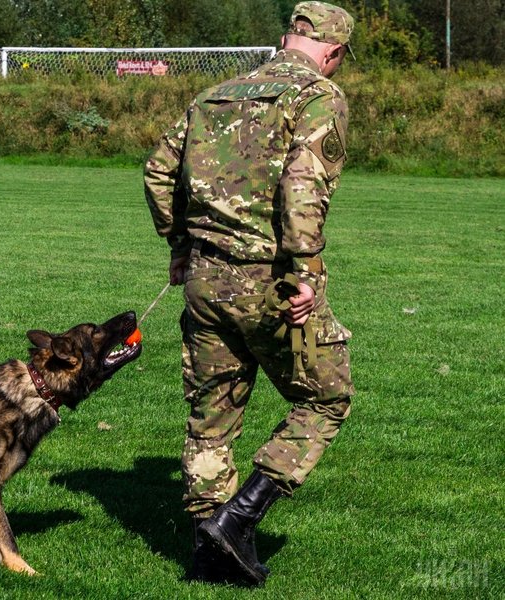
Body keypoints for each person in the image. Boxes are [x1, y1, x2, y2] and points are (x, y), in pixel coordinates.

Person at [143, 2, 357, 587]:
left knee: (211, 417)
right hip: (274, 285)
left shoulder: (215, 94)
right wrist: (305, 270)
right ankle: (238, 519)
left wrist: (180, 244)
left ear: (287, 39)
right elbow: (303, 186)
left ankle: (208, 551)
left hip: (205, 282)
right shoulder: (317, 95)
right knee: (326, 397)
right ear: (334, 52)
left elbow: (158, 171)